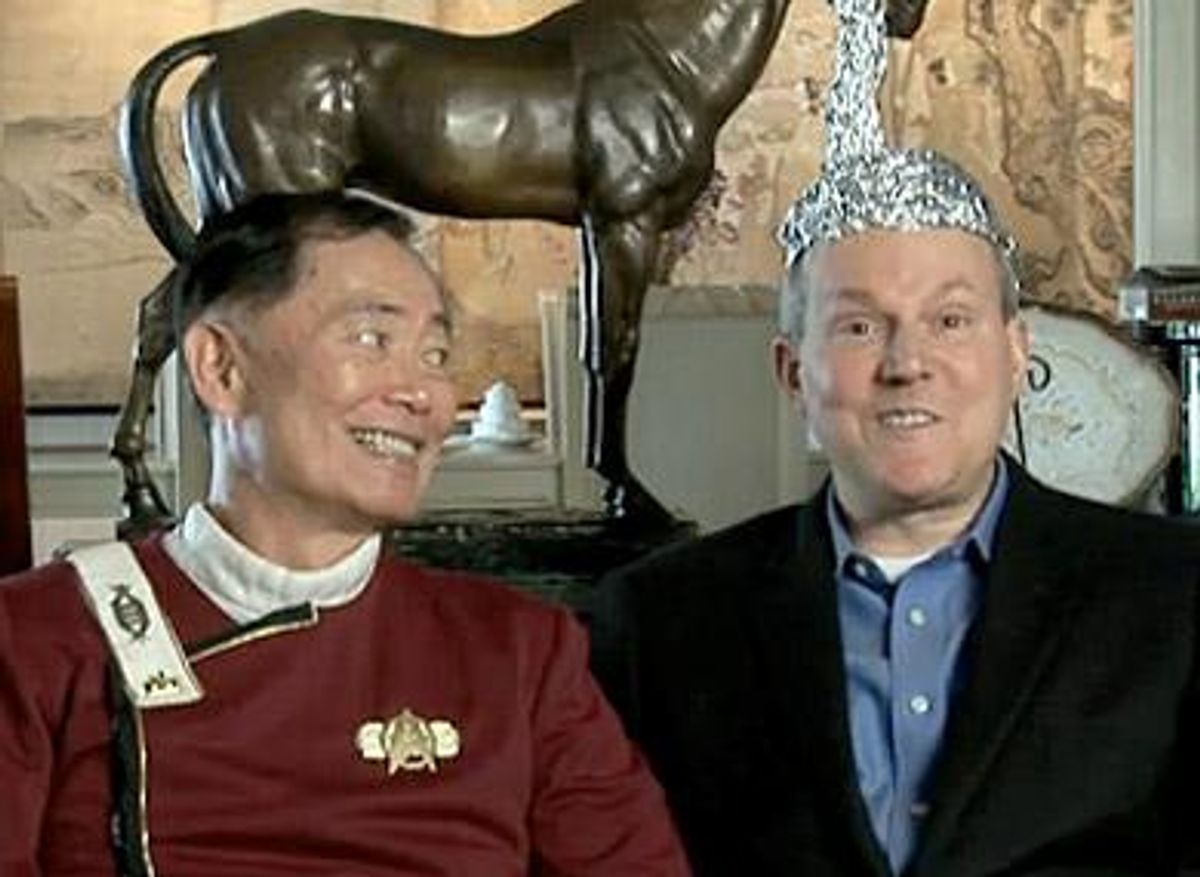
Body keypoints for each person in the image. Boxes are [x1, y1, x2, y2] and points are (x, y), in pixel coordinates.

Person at [590, 1, 1200, 874]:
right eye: (860, 326)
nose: (909, 363)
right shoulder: (659, 625)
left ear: (1016, 354)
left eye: (950, 320)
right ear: (792, 372)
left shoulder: (1173, 595)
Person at [0, 191, 691, 876]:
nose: (422, 393)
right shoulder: (39, 635)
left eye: (435, 353)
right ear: (221, 368)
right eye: (371, 339)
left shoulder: (517, 650)